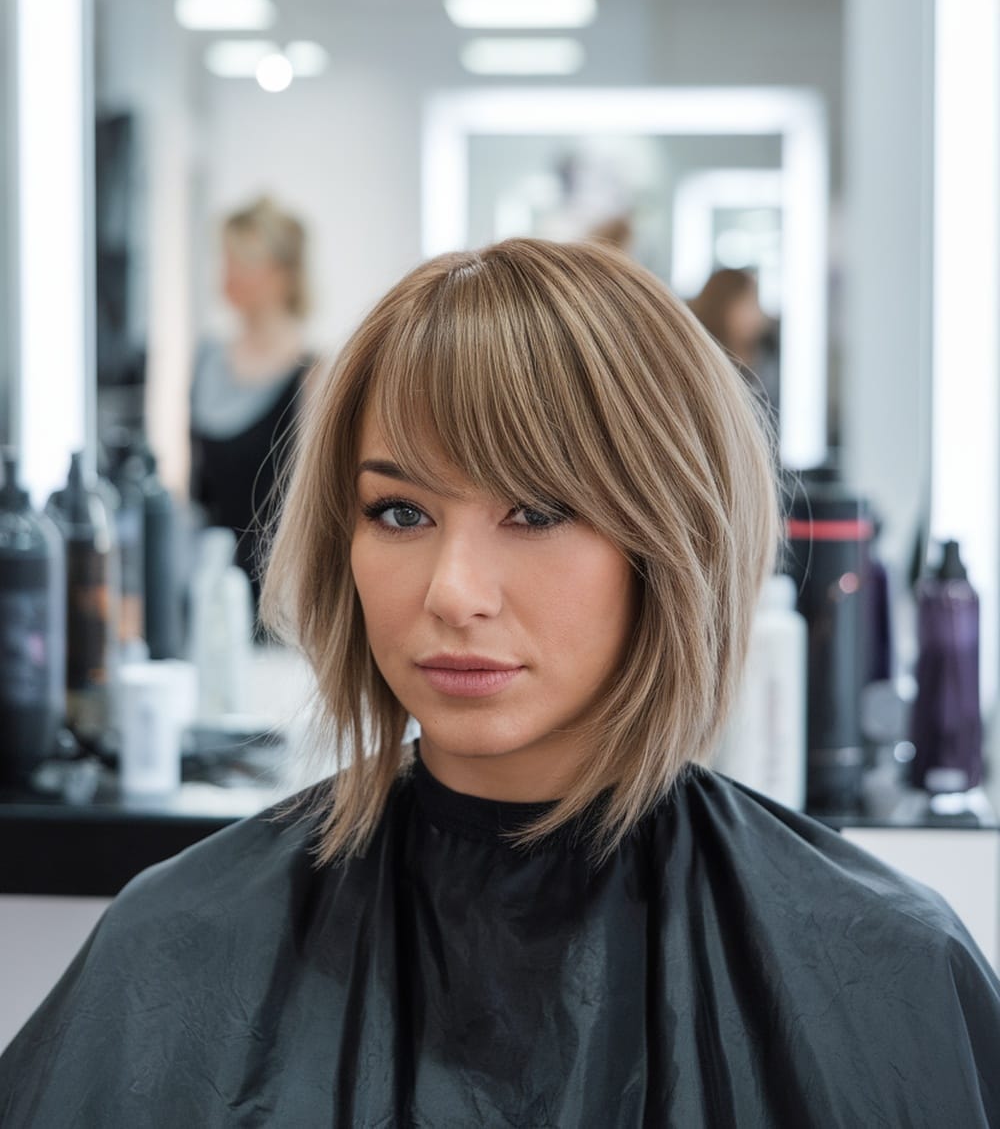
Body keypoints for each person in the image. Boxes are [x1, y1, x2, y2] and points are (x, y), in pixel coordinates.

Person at [1, 238, 998, 1127]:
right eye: (398, 512)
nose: (451, 591)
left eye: (536, 510)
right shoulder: (177, 944)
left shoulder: (881, 966)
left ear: (674, 540)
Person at [189, 195, 316, 611]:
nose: (227, 274)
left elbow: (314, 505)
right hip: (208, 586)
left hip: (278, 598)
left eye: (242, 261)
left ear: (281, 274)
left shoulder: (312, 376)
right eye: (225, 259)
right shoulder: (206, 360)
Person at [688, 264, 780, 417]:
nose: (757, 314)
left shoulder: (768, 357)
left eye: (755, 303)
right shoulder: (704, 367)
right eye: (748, 303)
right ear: (723, 307)